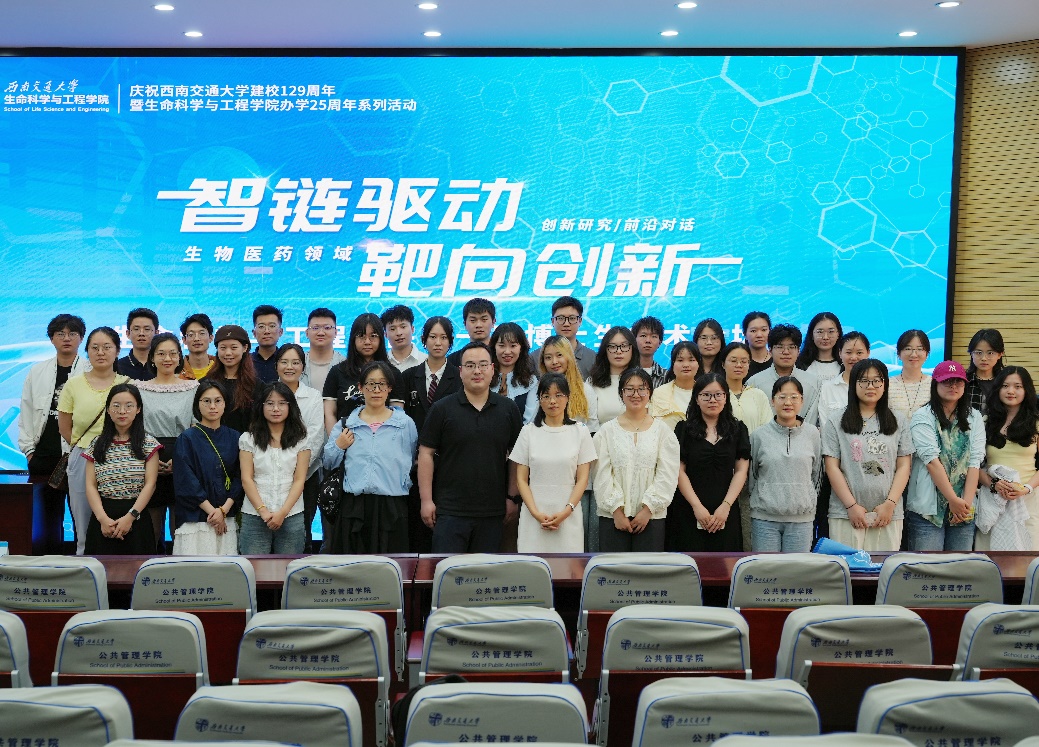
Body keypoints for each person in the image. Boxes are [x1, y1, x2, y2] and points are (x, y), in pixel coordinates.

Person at [418, 342, 522, 553]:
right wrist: (426, 500)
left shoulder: (508, 409)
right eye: (470, 365)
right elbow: (426, 453)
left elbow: (516, 456)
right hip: (449, 511)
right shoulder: (442, 409)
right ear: (460, 371)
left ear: (492, 369)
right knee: (446, 570)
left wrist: (512, 497)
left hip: (493, 511)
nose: (477, 371)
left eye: (483, 365)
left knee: (485, 572)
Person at [323, 361, 418, 553]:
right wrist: (339, 446)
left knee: (390, 564)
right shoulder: (346, 423)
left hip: (391, 504)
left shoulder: (405, 424)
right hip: (354, 505)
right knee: (353, 564)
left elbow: (411, 458)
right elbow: (328, 462)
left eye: (382, 384)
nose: (376, 390)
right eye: (371, 384)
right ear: (360, 387)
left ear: (389, 388)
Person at [823, 359, 914, 551]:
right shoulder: (836, 420)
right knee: (846, 568)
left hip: (888, 513)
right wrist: (851, 506)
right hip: (845, 513)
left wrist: (890, 504)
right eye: (863, 380)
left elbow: (904, 466)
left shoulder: (898, 420)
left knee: (883, 567)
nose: (870, 386)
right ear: (853, 384)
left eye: (877, 380)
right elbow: (832, 467)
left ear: (885, 384)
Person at [18, 314, 89, 552]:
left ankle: (84, 565)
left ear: (81, 338)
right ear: (51, 339)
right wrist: (30, 452)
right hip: (44, 458)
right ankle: (48, 566)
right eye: (60, 334)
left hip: (80, 456)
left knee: (83, 520)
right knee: (45, 524)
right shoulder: (37, 371)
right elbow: (26, 412)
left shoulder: (90, 371)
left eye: (72, 334)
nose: (66, 338)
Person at [57, 327, 131, 555]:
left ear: (117, 351)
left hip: (122, 458)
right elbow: (64, 427)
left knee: (118, 515)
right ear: (87, 351)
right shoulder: (73, 385)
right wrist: (88, 449)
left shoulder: (129, 384)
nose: (101, 352)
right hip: (82, 457)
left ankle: (119, 567)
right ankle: (84, 560)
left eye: (107, 347)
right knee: (83, 517)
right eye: (95, 348)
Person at [593, 369, 678, 552]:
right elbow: (601, 474)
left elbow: (667, 475)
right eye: (629, 389)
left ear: (650, 393)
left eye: (642, 389)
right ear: (621, 393)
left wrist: (648, 510)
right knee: (614, 569)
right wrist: (616, 511)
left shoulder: (663, 432)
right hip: (612, 518)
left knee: (647, 568)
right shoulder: (606, 431)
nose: (636, 394)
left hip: (652, 517)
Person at [510, 373, 596, 553]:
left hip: (568, 513)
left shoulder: (580, 431)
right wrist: (535, 513)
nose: (552, 401)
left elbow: (582, 479)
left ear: (568, 397)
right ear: (539, 400)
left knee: (568, 567)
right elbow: (521, 480)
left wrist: (567, 511)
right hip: (533, 514)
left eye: (558, 395)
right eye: (546, 396)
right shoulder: (528, 432)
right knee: (533, 566)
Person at [906, 361, 985, 551]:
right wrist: (952, 500)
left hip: (963, 507)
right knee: (927, 566)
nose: (953, 386)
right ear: (935, 384)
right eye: (947, 381)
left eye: (958, 382)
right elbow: (931, 461)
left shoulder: (974, 417)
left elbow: (975, 462)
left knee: (960, 565)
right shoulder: (922, 416)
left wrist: (964, 506)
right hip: (928, 510)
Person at [673, 373, 751, 551]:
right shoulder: (683, 429)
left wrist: (726, 506)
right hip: (689, 508)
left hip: (726, 509)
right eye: (706, 395)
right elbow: (679, 471)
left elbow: (741, 471)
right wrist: (697, 507)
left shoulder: (738, 429)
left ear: (726, 398)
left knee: (725, 562)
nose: (712, 400)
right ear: (696, 399)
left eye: (718, 395)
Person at [135, 332, 198, 552]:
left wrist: (180, 461)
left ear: (180, 357)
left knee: (180, 530)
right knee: (151, 529)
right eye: (161, 354)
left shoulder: (193, 388)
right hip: (148, 458)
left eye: (173, 353)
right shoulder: (139, 389)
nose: (167, 358)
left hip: (184, 459)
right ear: (152, 357)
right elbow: (135, 428)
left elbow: (197, 429)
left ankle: (179, 569)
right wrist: (150, 459)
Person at [402, 316, 460, 553]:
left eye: (443, 337)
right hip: (413, 465)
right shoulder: (408, 377)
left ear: (451, 342)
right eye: (433, 337)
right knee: (416, 532)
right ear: (423, 340)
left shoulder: (460, 377)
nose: (438, 342)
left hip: (449, 465)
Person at [83, 383, 160, 555]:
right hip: (103, 518)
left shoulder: (149, 444)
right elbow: (90, 485)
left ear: (138, 409)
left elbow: (150, 484)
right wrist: (103, 519)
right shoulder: (97, 444)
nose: (122, 411)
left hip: (137, 517)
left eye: (129, 406)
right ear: (108, 410)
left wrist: (130, 517)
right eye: (116, 406)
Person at [749, 377, 822, 552]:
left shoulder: (813, 434)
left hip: (802, 519)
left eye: (794, 397)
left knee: (796, 568)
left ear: (802, 401)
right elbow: (752, 475)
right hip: (764, 518)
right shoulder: (759, 435)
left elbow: (816, 474)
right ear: (772, 401)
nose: (788, 402)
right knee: (766, 568)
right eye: (782, 397)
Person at [239, 381, 311, 554]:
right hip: (254, 514)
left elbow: (299, 480)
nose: (276, 409)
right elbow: (247, 479)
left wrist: (282, 513)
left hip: (291, 514)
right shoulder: (248, 439)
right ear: (261, 407)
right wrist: (263, 512)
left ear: (290, 406)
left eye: (282, 403)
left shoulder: (302, 440)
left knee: (289, 567)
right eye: (270, 403)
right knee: (253, 567)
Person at [172, 380, 243, 555]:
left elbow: (240, 476)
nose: (212, 406)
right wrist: (213, 512)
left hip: (227, 517)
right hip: (194, 519)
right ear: (198, 404)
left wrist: (223, 510)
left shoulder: (236, 438)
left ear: (225, 404)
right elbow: (186, 481)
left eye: (218, 401)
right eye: (206, 401)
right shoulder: (186, 439)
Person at [976, 366, 1039, 550]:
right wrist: (993, 484)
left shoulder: (1036, 423)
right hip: (992, 499)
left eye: (1017, 386)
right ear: (998, 389)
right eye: (1005, 386)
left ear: (1026, 390)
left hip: (1028, 499)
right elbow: (973, 466)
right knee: (989, 558)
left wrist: (1026, 488)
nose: (1011, 391)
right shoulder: (984, 422)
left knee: (1026, 557)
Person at [720, 341, 772, 550]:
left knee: (750, 523)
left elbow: (766, 432)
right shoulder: (716, 394)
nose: (739, 365)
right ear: (723, 363)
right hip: (722, 469)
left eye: (744, 361)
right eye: (733, 360)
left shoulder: (758, 395)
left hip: (754, 469)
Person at [275, 343, 325, 552]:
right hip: (272, 476)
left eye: (295, 362)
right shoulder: (266, 394)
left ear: (303, 367)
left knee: (301, 532)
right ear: (276, 365)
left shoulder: (313, 397)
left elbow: (316, 436)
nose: (290, 367)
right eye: (284, 362)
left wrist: (298, 469)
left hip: (306, 476)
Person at [323, 313, 405, 433]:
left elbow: (397, 415)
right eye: (361, 336)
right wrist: (337, 440)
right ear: (353, 339)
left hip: (383, 439)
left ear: (381, 339)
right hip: (345, 439)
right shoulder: (338, 372)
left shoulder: (393, 373)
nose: (367, 341)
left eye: (373, 336)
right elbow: (330, 413)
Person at [747, 324, 821, 426]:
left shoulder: (813, 383)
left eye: (791, 347)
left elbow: (811, 419)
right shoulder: (754, 383)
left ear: (798, 351)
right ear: (770, 350)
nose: (786, 352)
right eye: (780, 347)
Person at [538, 335, 598, 431]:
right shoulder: (538, 390)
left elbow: (592, 427)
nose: (554, 361)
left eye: (559, 355)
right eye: (548, 357)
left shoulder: (585, 390)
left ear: (569, 357)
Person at [208, 324, 258, 434]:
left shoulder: (256, 385)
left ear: (245, 348)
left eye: (234, 347)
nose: (228, 353)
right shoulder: (207, 383)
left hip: (246, 443)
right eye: (223, 348)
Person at [529, 297, 595, 379]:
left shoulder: (593, 358)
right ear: (553, 321)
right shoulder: (534, 358)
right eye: (561, 318)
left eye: (572, 318)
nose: (566, 324)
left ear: (580, 321)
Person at [818, 331, 871, 431]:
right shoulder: (827, 388)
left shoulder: (876, 387)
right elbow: (825, 426)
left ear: (868, 353)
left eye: (859, 353)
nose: (853, 357)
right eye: (848, 352)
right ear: (840, 353)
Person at [586, 327, 637, 429]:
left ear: (633, 349)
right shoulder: (592, 382)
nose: (619, 351)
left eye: (624, 346)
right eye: (612, 347)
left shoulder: (642, 380)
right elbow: (589, 423)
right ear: (605, 350)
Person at [489, 322, 538, 424]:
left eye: (513, 346)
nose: (507, 351)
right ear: (494, 347)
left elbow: (530, 419)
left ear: (521, 348)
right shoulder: (484, 377)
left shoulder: (531, 381)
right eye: (502, 346)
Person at [649, 341, 702, 431]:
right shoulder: (659, 393)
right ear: (673, 364)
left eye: (691, 360)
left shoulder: (706, 393)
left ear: (698, 364)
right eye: (680, 360)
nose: (686, 365)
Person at [888, 329, 933, 421]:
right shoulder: (887, 384)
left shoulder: (935, 384)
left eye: (920, 349)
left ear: (927, 354)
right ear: (899, 353)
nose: (914, 354)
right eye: (908, 349)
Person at [299, 307, 345, 394]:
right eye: (315, 328)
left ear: (336, 332)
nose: (321, 333)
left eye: (327, 328)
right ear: (307, 333)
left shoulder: (345, 365)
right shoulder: (296, 363)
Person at [966, 328, 1006, 418]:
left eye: (990, 353)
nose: (984, 358)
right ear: (971, 353)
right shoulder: (963, 381)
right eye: (978, 353)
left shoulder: (1005, 382)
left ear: (1000, 354)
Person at [446, 298, 496, 368]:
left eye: (484, 319)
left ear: (493, 322)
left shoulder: (501, 357)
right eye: (473, 320)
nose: (478, 325)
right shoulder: (453, 361)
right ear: (465, 324)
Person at [796, 312, 843, 380]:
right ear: (812, 335)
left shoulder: (845, 364)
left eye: (831, 332)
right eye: (820, 332)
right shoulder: (800, 365)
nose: (825, 337)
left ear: (838, 334)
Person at [115, 308, 158, 380]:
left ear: (156, 333)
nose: (141, 333)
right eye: (136, 329)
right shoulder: (118, 367)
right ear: (128, 334)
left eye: (147, 329)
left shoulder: (163, 365)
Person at [382, 305, 427, 372]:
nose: (399, 333)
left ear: (412, 329)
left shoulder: (427, 362)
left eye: (403, 327)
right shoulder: (381, 364)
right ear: (385, 334)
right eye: (392, 329)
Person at [178, 313, 217, 381]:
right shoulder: (176, 371)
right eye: (191, 334)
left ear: (211, 338)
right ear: (184, 340)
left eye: (202, 333)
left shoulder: (220, 369)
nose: (196, 339)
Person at [251, 304, 284, 384]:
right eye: (261, 326)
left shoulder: (286, 362)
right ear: (254, 333)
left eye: (272, 326)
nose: (266, 331)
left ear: (280, 332)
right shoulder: (246, 362)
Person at [632, 316, 668, 388]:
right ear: (634, 340)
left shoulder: (666, 376)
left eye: (654, 336)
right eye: (643, 336)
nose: (648, 340)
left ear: (660, 343)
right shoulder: (624, 372)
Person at [742, 312, 772, 379]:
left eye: (764, 330)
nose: (759, 335)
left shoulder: (777, 360)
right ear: (745, 334)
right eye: (753, 331)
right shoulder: (740, 363)